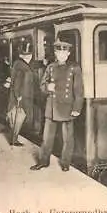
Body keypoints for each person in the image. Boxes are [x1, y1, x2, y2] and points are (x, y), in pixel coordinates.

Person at [30, 40, 84, 171]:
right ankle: (43, 161)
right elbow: (42, 85)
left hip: (67, 107)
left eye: (64, 52)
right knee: (47, 138)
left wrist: (77, 108)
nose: (61, 55)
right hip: (52, 107)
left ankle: (65, 163)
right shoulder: (50, 67)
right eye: (59, 52)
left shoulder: (74, 68)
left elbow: (79, 90)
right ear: (55, 53)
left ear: (69, 53)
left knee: (68, 139)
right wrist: (47, 87)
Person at [6, 42, 38, 146]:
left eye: (29, 55)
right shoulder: (21, 66)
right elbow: (17, 83)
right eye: (26, 55)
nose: (28, 57)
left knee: (18, 118)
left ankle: (14, 138)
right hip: (21, 96)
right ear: (21, 56)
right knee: (18, 118)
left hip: (25, 95)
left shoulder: (22, 65)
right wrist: (18, 96)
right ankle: (13, 140)